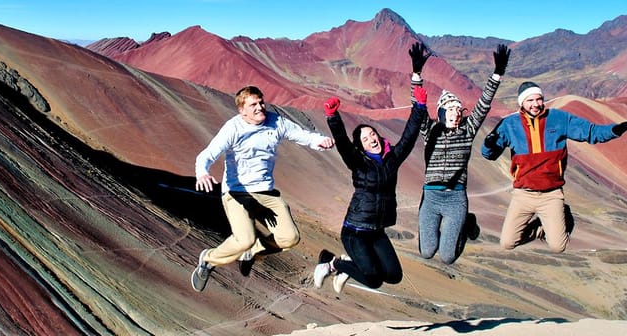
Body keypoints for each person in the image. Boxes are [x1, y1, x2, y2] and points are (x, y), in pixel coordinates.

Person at [311, 42, 431, 294]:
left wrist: (420, 108)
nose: (372, 138)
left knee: (394, 276)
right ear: (361, 147)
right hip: (355, 231)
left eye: (373, 134)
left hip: (377, 230)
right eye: (365, 139)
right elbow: (343, 143)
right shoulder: (357, 163)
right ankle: (334, 263)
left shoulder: (392, 159)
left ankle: (345, 266)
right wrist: (333, 118)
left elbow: (409, 136)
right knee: (374, 279)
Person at [191, 85, 335, 292]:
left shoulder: (276, 122)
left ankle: (253, 253)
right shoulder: (233, 128)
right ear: (242, 110)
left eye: (261, 102)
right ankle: (209, 260)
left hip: (265, 191)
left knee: (290, 238)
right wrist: (202, 172)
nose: (260, 107)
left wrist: (320, 141)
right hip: (237, 192)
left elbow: (302, 135)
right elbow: (207, 154)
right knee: (245, 239)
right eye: (253, 105)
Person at [481, 81, 627, 253]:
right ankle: (543, 228)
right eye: (530, 100)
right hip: (523, 195)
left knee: (558, 246)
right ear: (521, 103)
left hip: (551, 195)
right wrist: (488, 145)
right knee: (507, 242)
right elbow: (490, 154)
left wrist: (616, 129)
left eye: (539, 99)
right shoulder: (509, 124)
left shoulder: (558, 118)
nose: (535, 104)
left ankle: (563, 215)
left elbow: (590, 132)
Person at [416, 43, 511, 265]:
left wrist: (497, 75)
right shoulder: (429, 130)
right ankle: (437, 226)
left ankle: (466, 225)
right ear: (441, 112)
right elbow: (416, 103)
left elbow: (483, 105)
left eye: (459, 110)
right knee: (427, 252)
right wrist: (416, 74)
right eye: (451, 110)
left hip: (455, 198)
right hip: (430, 197)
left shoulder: (467, 130)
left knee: (448, 257)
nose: (456, 114)